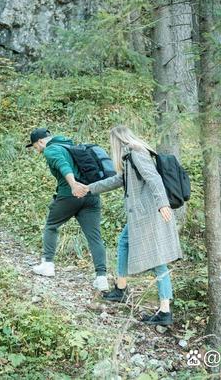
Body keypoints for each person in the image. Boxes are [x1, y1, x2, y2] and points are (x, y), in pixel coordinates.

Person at [73, 125, 183, 326]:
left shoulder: (136, 152)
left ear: (117, 140)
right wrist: (88, 189)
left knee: (159, 262)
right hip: (142, 215)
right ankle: (121, 288)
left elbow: (153, 177)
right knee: (124, 242)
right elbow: (117, 180)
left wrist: (162, 203)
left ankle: (164, 310)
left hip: (148, 213)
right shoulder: (129, 156)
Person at [26, 128, 109, 291]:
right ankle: (101, 278)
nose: (37, 150)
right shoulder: (69, 146)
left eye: (35, 147)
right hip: (91, 195)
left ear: (41, 142)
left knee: (51, 226)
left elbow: (63, 166)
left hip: (70, 195)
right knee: (94, 236)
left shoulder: (51, 150)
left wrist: (73, 186)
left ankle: (48, 264)